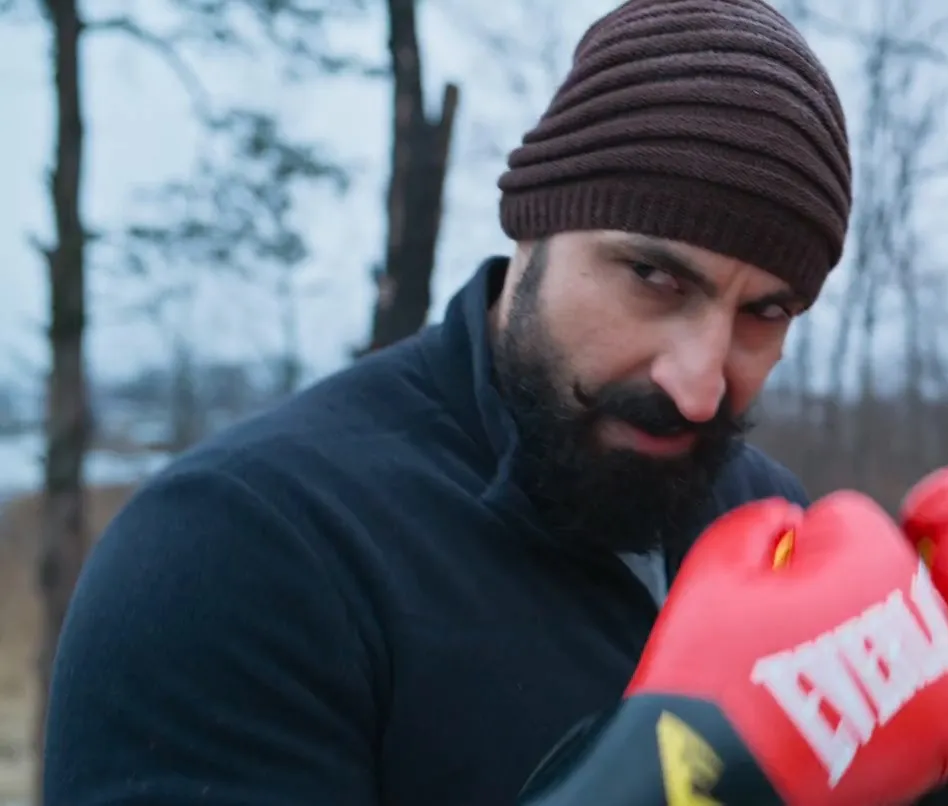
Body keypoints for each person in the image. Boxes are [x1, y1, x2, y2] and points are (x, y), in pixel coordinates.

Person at [42, 0, 857, 802]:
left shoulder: (770, 523)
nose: (699, 387)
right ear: (533, 229)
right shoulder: (240, 549)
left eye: (764, 313)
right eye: (654, 277)